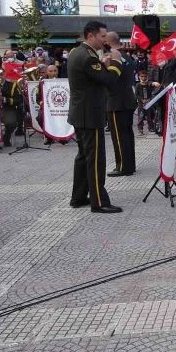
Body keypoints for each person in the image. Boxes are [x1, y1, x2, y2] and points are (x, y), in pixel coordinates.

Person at [67, 21, 123, 214]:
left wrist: (103, 65)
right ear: (90, 36)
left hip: (80, 113)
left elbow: (92, 76)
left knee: (83, 157)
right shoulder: (88, 57)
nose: (104, 39)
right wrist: (115, 62)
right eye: (102, 36)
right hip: (90, 114)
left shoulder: (78, 52)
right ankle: (99, 202)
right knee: (95, 159)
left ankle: (79, 196)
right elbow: (109, 80)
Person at [105, 32, 137, 177]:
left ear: (108, 41)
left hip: (116, 102)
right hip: (128, 100)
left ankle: (123, 167)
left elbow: (111, 79)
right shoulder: (127, 56)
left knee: (119, 136)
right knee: (127, 135)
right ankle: (130, 165)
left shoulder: (113, 56)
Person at [0, 66, 21, 147]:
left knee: (12, 123)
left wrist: (4, 99)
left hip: (6, 108)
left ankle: (6, 137)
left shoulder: (12, 85)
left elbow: (17, 100)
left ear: (5, 74)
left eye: (1, 74)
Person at [135, 69, 157, 135]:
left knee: (149, 116)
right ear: (139, 77)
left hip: (149, 103)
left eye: (145, 76)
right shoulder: (138, 85)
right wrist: (141, 99)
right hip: (141, 104)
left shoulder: (149, 84)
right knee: (140, 117)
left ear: (147, 77)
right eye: (142, 76)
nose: (143, 78)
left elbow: (152, 93)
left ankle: (151, 127)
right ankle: (140, 129)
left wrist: (149, 99)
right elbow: (136, 94)